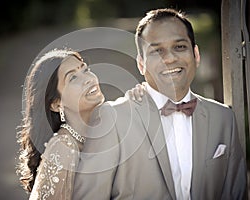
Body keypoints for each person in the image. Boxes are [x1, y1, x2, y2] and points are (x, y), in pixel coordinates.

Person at [73, 8, 247, 200]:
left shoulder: (223, 118)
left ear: (196, 55)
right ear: (141, 64)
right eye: (156, 51)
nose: (170, 58)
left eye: (179, 47)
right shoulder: (112, 119)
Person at [16, 48, 144, 200]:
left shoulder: (106, 129)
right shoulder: (62, 148)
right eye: (73, 78)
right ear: (56, 104)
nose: (89, 78)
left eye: (86, 69)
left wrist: (139, 97)